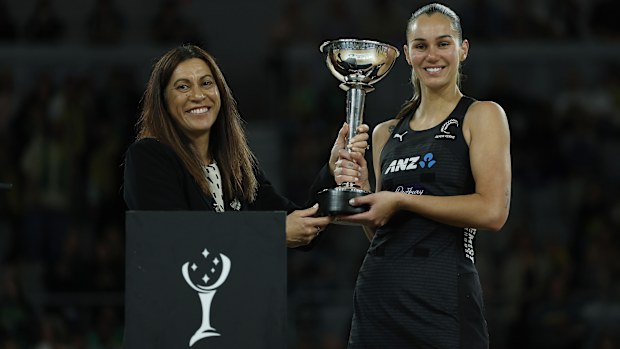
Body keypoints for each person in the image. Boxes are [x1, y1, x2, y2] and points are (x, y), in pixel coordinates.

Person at [333, 3, 511, 348]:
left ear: (463, 49)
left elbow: (492, 211)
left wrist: (401, 199)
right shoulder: (386, 132)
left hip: (443, 296)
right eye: (421, 45)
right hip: (378, 296)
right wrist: (363, 191)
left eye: (443, 43)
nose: (433, 55)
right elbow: (380, 231)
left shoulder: (482, 116)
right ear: (407, 53)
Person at [122, 44, 369, 248]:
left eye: (207, 83)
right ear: (163, 101)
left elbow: (299, 225)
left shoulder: (238, 166)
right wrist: (273, 234)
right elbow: (175, 236)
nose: (198, 95)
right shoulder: (148, 156)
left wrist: (332, 170)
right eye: (183, 86)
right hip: (178, 305)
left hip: (240, 304)